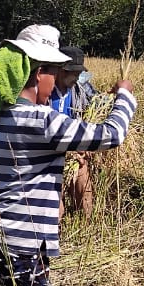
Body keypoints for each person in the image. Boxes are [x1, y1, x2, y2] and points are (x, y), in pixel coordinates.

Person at [0, 25, 137, 286]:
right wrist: (124, 97)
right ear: (40, 74)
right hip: (21, 239)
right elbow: (110, 136)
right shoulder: (42, 120)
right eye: (55, 72)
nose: (59, 81)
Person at [50, 46, 95, 217]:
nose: (77, 78)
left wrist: (84, 145)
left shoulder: (79, 91)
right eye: (74, 73)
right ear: (62, 70)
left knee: (84, 193)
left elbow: (89, 114)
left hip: (76, 153)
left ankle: (86, 228)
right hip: (51, 156)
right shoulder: (45, 92)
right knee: (56, 209)